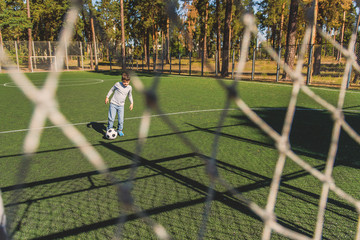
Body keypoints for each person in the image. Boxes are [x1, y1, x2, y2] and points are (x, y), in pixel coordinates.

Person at [105, 72, 133, 136]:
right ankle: (109, 129)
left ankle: (119, 130)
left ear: (129, 81)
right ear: (121, 80)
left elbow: (130, 95)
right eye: (124, 82)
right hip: (113, 104)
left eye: (127, 82)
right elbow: (111, 90)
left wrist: (131, 103)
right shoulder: (117, 84)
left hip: (121, 106)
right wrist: (107, 97)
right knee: (111, 118)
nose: (125, 83)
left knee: (121, 120)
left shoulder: (129, 87)